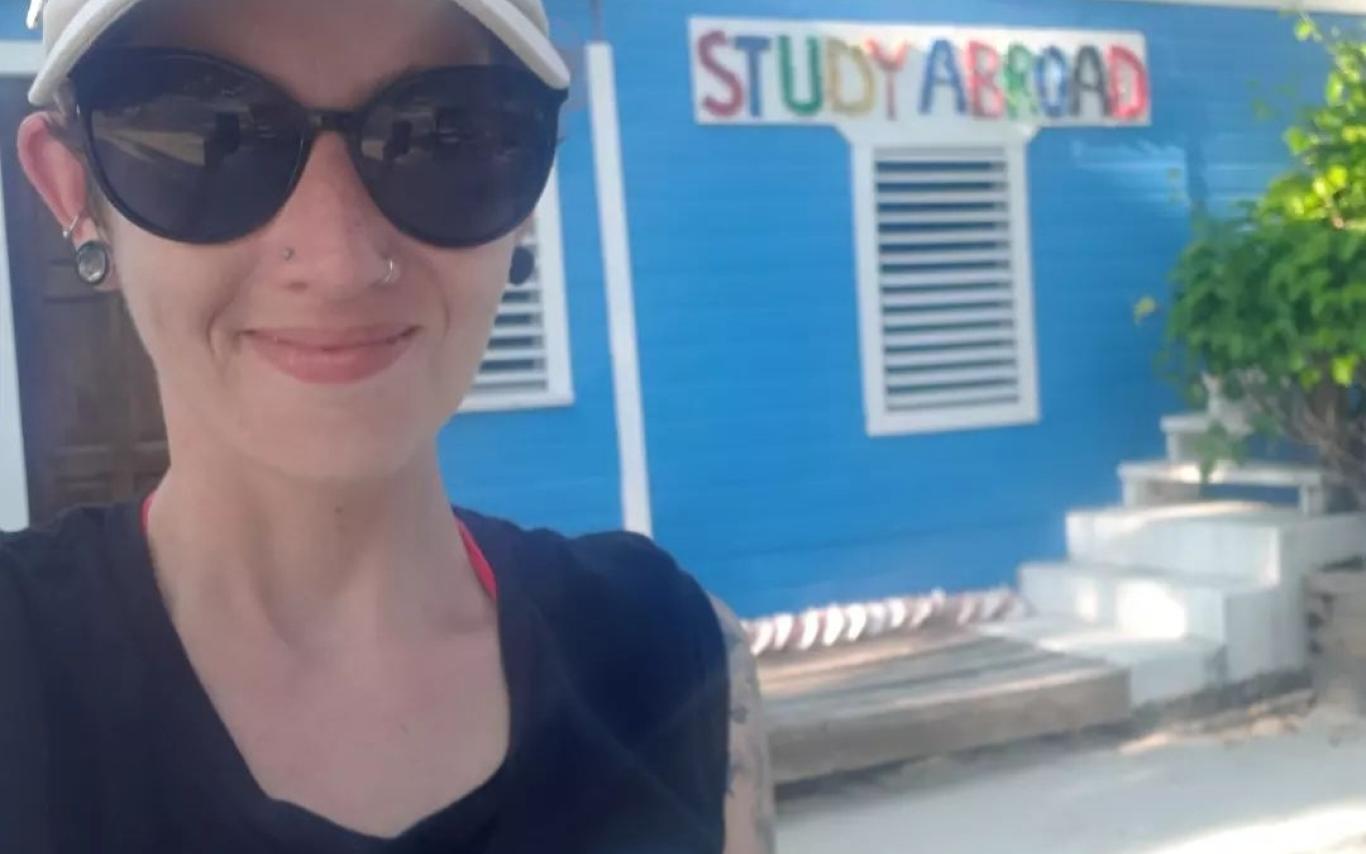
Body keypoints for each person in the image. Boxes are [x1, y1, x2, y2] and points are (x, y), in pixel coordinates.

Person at [0, 0, 774, 850]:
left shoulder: (673, 659)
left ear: (531, 186)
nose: (340, 264)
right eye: (213, 135)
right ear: (74, 193)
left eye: (447, 135)